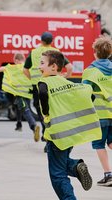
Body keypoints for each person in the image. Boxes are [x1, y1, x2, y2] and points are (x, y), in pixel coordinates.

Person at [38, 50, 102, 199]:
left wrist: (46, 112)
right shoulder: (68, 83)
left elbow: (42, 93)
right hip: (69, 135)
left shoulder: (44, 82)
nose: (39, 66)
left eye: (42, 63)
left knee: (57, 175)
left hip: (57, 136)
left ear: (53, 67)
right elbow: (89, 95)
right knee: (60, 164)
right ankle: (75, 167)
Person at [23, 31, 73, 151]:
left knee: (42, 112)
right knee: (54, 111)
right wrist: (64, 77)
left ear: (41, 40)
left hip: (38, 87)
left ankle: (47, 135)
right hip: (54, 85)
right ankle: (54, 139)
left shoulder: (34, 52)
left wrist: (33, 80)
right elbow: (70, 68)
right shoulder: (55, 52)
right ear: (52, 41)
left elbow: (25, 70)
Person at [82, 36, 112, 186]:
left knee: (99, 145)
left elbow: (84, 94)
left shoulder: (90, 72)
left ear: (95, 52)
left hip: (100, 115)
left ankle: (108, 174)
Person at [0, 52, 40, 142]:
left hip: (19, 94)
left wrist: (6, 68)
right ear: (24, 59)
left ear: (16, 60)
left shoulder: (13, 67)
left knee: (25, 110)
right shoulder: (29, 68)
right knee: (20, 108)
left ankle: (34, 126)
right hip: (28, 93)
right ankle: (19, 124)